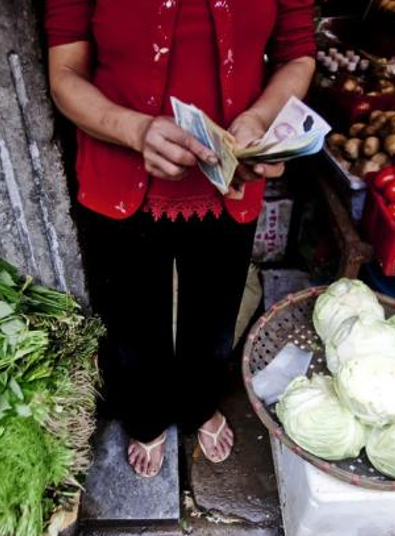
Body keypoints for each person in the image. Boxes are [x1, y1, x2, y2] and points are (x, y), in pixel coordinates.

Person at [46, 0, 316, 478]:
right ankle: (145, 415)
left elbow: (297, 55)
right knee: (131, 320)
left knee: (214, 314)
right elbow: (65, 74)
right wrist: (135, 129)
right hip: (120, 175)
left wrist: (259, 119)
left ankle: (198, 404)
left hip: (231, 178)